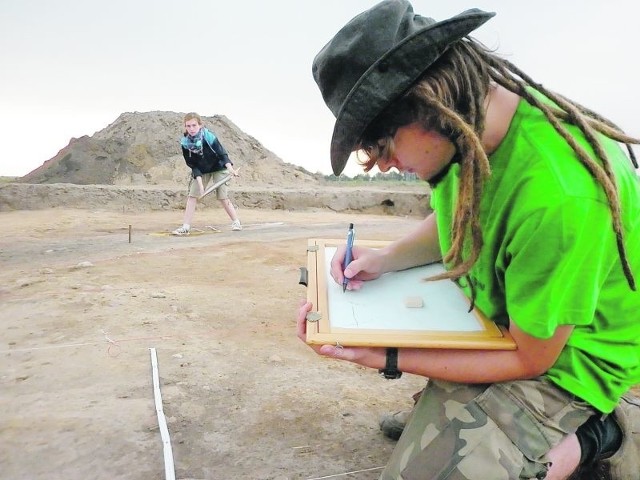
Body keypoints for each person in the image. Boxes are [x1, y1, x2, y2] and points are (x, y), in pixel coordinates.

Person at [296, 1, 640, 478]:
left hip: (570, 358)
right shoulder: (467, 135)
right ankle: (452, 401)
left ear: (426, 101)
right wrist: (386, 259)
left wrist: (387, 356)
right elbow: (453, 224)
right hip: (503, 316)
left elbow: (530, 356)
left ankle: (602, 430)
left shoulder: (559, 197)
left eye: (380, 145)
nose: (384, 164)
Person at [172, 112, 242, 235]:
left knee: (222, 196)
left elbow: (222, 154)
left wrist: (230, 169)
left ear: (200, 125)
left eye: (194, 125)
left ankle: (236, 222)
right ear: (185, 127)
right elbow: (193, 165)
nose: (191, 129)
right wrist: (200, 185)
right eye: (188, 126)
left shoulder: (209, 137)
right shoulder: (185, 143)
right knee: (192, 196)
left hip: (219, 167)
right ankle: (185, 227)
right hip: (202, 170)